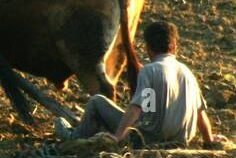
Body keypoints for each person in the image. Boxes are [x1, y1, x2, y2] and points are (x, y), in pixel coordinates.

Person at [55, 21, 222, 148]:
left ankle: (73, 138)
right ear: (174, 46)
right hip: (180, 142)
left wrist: (118, 136)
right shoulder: (187, 73)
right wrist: (209, 140)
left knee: (96, 101)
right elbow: (201, 114)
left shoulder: (149, 71)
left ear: (148, 48)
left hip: (149, 140)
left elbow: (137, 108)